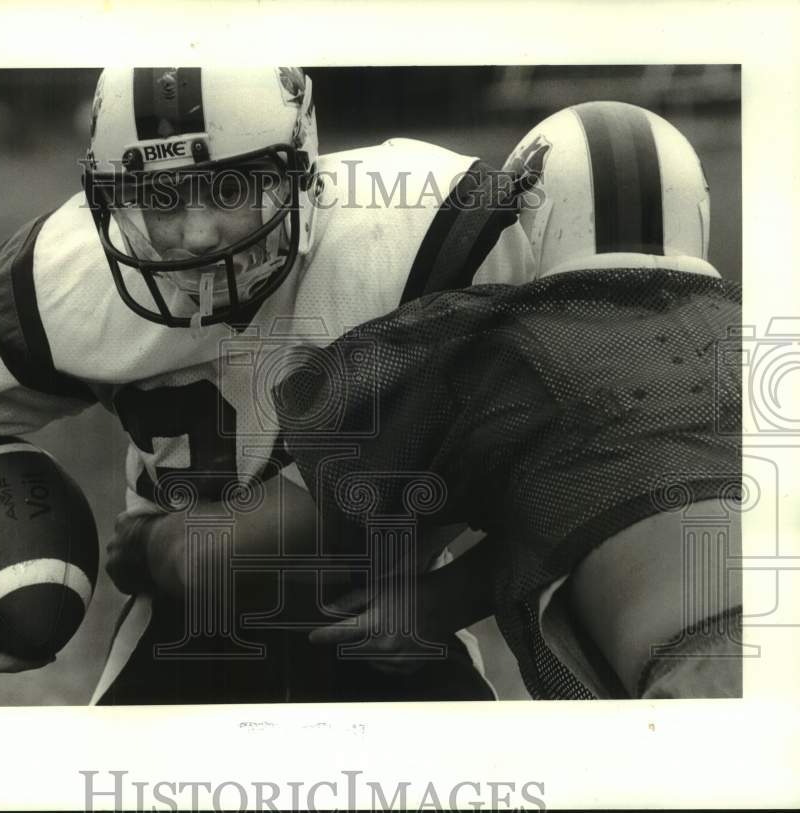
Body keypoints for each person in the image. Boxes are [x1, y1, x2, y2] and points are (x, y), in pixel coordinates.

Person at [0, 67, 534, 703]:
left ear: (298, 173)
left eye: (228, 190)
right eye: (162, 197)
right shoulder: (65, 278)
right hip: (181, 637)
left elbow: (576, 447)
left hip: (385, 609)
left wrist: (449, 598)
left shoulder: (410, 238)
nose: (196, 234)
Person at [286, 101, 743, 699]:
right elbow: (623, 494)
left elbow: (330, 496)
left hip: (711, 668)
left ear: (532, 223)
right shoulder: (753, 331)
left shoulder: (505, 348)